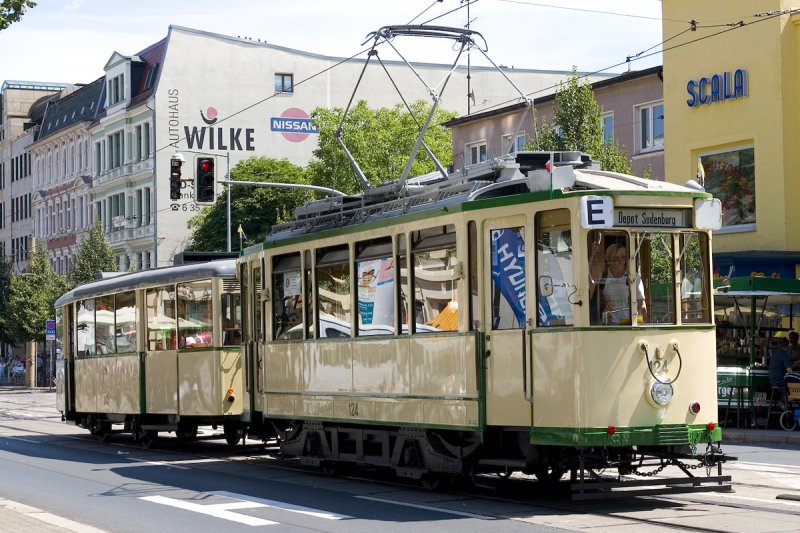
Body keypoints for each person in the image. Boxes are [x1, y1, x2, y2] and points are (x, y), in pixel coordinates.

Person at [599, 243, 647, 324]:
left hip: (629, 322)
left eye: (623, 257)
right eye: (616, 257)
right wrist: (604, 307)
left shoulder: (633, 276)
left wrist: (642, 320)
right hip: (608, 323)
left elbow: (641, 302)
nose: (620, 260)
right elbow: (596, 300)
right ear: (609, 259)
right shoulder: (603, 276)